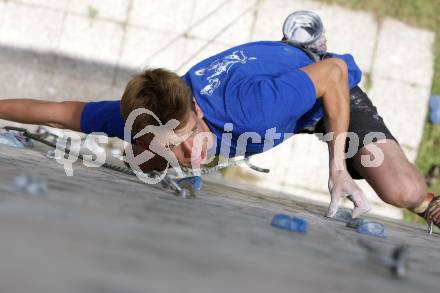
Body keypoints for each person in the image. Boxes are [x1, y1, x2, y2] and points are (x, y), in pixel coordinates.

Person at [0, 11, 438, 230]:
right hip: (277, 90)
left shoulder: (253, 107)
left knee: (402, 191)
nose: (192, 153)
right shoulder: (147, 119)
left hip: (321, 89)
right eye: (174, 147)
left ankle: (309, 43)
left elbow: (335, 76)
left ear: (197, 111)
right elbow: (59, 112)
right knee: (143, 163)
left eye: (190, 136)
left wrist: (338, 169)